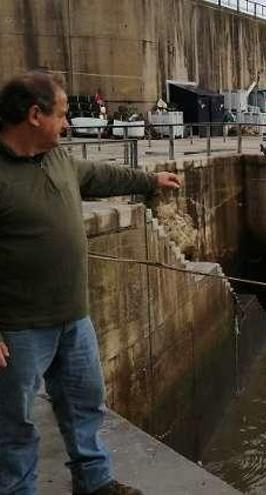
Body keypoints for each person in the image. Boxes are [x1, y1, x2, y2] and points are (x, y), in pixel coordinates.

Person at [0, 72, 182, 495]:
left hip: (73, 317)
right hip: (20, 327)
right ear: (33, 115)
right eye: (61, 115)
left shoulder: (58, 158)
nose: (66, 125)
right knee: (13, 423)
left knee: (84, 405)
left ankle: (94, 481)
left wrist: (150, 181)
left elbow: (99, 176)